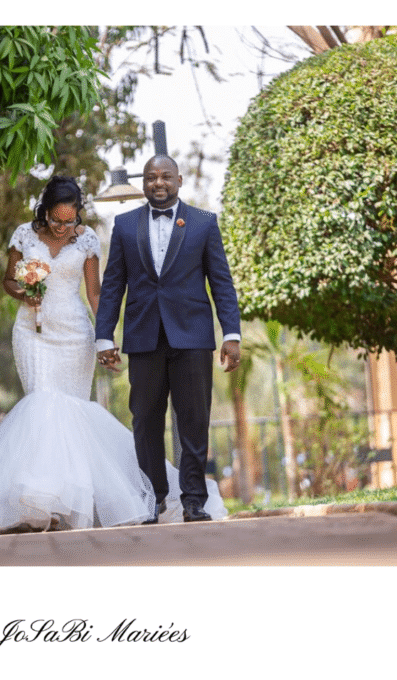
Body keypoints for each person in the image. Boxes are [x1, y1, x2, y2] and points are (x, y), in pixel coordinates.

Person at [0, 176, 226, 540]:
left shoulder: (87, 239)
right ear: (44, 212)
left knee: (73, 414)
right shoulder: (24, 236)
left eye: (70, 221)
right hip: (33, 332)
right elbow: (7, 280)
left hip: (75, 333)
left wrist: (104, 338)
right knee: (42, 405)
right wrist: (23, 292)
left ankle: (77, 501)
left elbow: (96, 294)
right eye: (56, 221)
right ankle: (41, 503)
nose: (62, 228)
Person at [95, 154, 241, 524]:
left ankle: (194, 500)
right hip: (143, 336)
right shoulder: (125, 225)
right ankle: (152, 497)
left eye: (164, 177)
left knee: (193, 418)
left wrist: (232, 333)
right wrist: (103, 337)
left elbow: (221, 282)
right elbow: (112, 286)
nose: (157, 183)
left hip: (191, 335)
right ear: (142, 183)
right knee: (145, 419)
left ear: (178, 180)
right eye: (150, 177)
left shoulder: (204, 223)